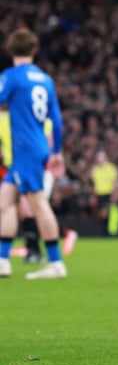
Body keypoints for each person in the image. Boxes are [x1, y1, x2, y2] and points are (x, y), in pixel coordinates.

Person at [0, 27, 67, 279]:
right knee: (5, 201)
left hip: (24, 148)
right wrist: (56, 150)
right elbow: (56, 120)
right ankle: (2, 260)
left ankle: (56, 263)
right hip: (37, 145)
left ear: (10, 50)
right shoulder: (45, 79)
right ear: (34, 50)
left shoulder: (11, 77)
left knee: (38, 203)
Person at [90, 149, 118, 236]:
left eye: (100, 157)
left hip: (108, 193)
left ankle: (107, 231)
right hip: (99, 194)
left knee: (106, 212)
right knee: (101, 214)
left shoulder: (111, 168)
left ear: (105, 157)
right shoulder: (95, 169)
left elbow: (115, 182)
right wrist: (94, 196)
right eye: (97, 157)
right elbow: (94, 184)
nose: (98, 159)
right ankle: (106, 231)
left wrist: (115, 193)